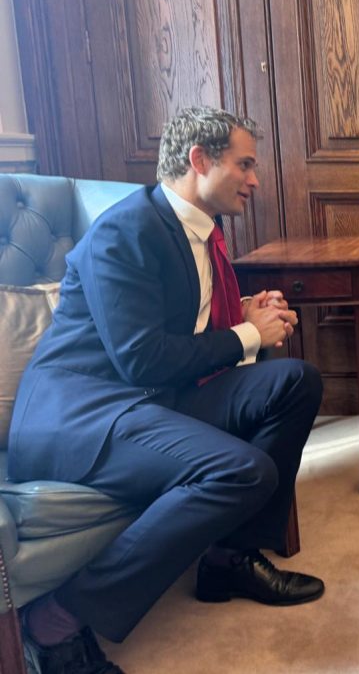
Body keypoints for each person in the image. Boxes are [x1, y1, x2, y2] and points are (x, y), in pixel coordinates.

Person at [9, 107, 325, 674]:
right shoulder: (124, 231)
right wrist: (247, 333)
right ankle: (58, 618)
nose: (255, 179)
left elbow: (174, 330)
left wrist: (243, 316)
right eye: (244, 164)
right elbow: (140, 357)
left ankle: (229, 559)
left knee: (294, 381)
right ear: (198, 160)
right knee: (242, 469)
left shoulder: (198, 230)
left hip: (151, 398)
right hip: (83, 415)